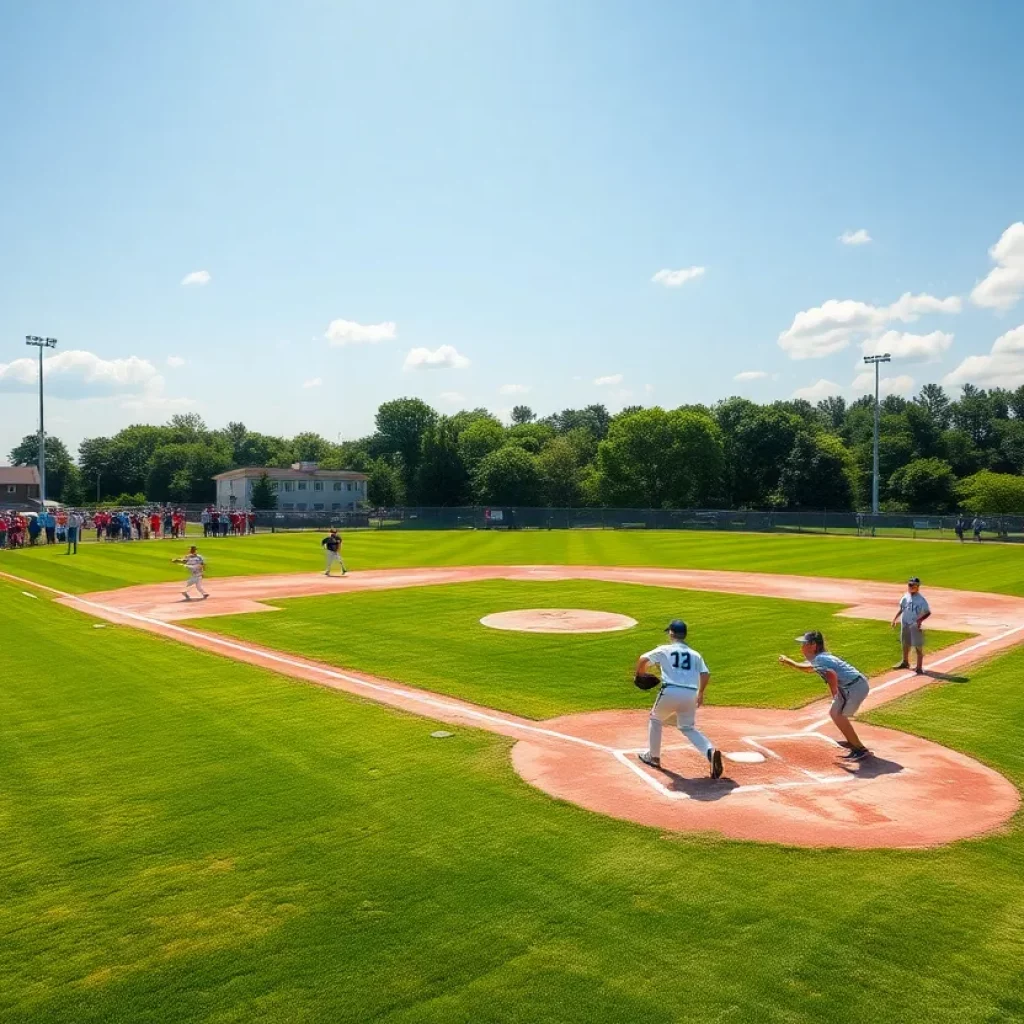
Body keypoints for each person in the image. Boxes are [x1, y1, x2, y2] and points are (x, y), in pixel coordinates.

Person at [636, 619, 724, 779]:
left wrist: (640, 674)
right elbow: (705, 674)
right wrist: (701, 693)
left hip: (670, 690)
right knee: (687, 727)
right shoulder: (695, 654)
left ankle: (653, 757)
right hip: (690, 694)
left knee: (655, 719)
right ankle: (710, 751)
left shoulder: (664, 650)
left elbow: (643, 659)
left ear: (671, 633)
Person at [779, 631, 870, 761]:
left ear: (813, 645)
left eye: (804, 644)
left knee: (839, 716)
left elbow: (831, 674)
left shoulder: (821, 659)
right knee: (834, 713)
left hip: (855, 687)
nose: (801, 647)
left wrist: (834, 692)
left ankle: (860, 749)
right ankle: (852, 741)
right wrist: (789, 662)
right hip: (849, 686)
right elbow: (808, 668)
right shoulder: (818, 658)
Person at [891, 576, 931, 674]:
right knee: (905, 643)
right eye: (909, 585)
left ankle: (919, 667)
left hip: (914, 625)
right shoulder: (906, 596)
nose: (910, 586)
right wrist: (895, 618)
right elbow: (902, 608)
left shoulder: (921, 600)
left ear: (917, 586)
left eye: (913, 585)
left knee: (917, 646)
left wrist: (919, 621)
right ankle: (905, 662)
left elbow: (927, 612)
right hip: (905, 623)